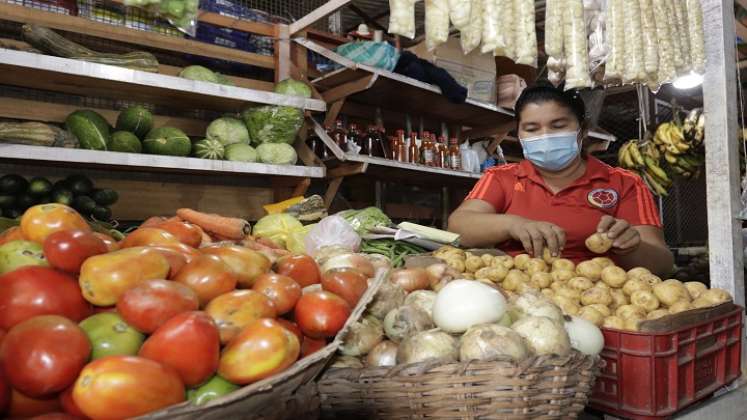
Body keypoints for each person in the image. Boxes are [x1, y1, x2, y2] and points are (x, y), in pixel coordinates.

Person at [448, 84, 674, 276]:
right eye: (531, 128)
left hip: (598, 298)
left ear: (582, 130)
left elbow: (662, 265)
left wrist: (630, 247)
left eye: (558, 126)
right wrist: (513, 224)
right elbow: (458, 227)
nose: (544, 136)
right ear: (519, 135)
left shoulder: (624, 183)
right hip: (519, 292)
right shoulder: (501, 177)